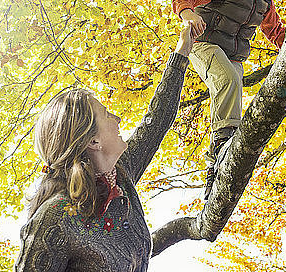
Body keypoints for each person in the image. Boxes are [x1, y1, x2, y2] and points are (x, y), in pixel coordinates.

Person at [15, 26, 194, 272]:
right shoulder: (54, 217)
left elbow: (157, 120)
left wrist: (182, 52)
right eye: (107, 114)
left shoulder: (122, 177)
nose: (118, 118)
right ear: (93, 142)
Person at [172, 0, 286, 199]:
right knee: (227, 79)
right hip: (203, 43)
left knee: (234, 86)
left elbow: (274, 29)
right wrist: (188, 14)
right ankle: (222, 142)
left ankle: (220, 166)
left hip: (234, 54)